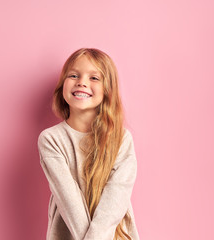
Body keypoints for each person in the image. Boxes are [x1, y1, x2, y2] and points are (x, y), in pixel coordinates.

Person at [37, 48, 140, 240]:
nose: (82, 82)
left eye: (94, 78)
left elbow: (116, 196)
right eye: (74, 75)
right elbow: (69, 201)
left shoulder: (121, 139)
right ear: (63, 85)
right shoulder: (51, 139)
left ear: (108, 89)